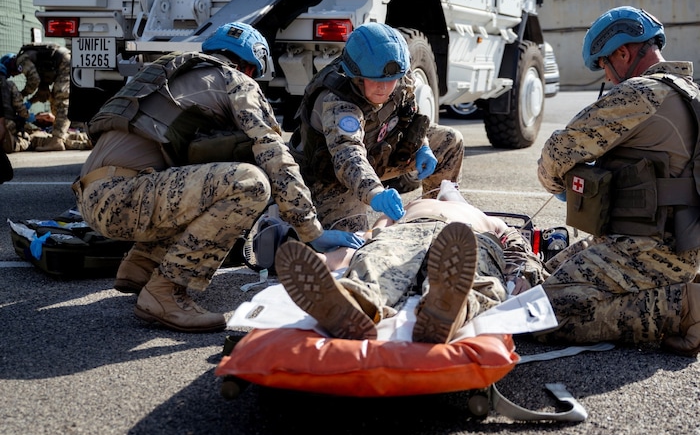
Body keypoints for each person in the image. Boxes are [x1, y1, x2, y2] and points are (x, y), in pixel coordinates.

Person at [73, 21, 363, 334]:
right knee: (250, 184)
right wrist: (310, 229)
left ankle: (142, 264)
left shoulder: (173, 73)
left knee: (204, 179)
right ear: (251, 67)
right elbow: (276, 156)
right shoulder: (236, 80)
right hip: (126, 197)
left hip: (95, 194)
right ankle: (166, 291)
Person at [537, 6, 700, 356]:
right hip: (676, 244)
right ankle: (683, 287)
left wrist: (558, 185)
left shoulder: (641, 93)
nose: (608, 79)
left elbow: (557, 153)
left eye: (605, 67)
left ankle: (683, 308)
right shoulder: (691, 93)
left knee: (541, 313)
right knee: (543, 274)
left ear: (623, 53)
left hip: (645, 247)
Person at [275, 196, 546, 342]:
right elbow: (376, 231)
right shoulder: (414, 204)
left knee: (473, 269)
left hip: (463, 238)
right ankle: (352, 305)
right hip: (413, 230)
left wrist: (524, 274)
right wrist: (341, 254)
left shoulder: (486, 217)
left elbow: (517, 246)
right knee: (377, 259)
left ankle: (449, 307)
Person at [289, 22, 464, 232]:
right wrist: (375, 193)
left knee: (450, 142)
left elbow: (408, 112)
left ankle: (434, 222)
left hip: (375, 152)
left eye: (391, 81)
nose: (383, 87)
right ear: (357, 76)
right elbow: (349, 158)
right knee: (353, 240)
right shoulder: (338, 102)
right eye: (374, 81)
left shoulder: (399, 74)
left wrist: (422, 145)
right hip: (332, 176)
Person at [9, 43, 71, 151]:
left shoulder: (21, 60)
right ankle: (59, 135)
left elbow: (34, 80)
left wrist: (22, 95)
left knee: (61, 100)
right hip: (61, 62)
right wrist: (31, 102)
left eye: (13, 74)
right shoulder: (38, 63)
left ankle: (57, 141)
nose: (14, 75)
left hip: (63, 63)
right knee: (55, 102)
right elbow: (43, 94)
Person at [0, 55, 30, 153]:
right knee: (27, 138)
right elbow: (19, 107)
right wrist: (27, 117)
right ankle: (15, 143)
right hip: (7, 123)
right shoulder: (10, 85)